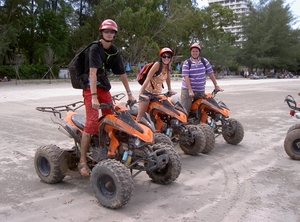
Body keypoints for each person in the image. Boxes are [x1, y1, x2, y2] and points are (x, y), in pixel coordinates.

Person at [78, 19, 136, 176]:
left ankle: (109, 150)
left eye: (112, 32)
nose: (109, 34)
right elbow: (92, 73)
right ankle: (82, 161)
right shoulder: (95, 49)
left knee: (112, 118)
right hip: (91, 87)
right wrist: (94, 97)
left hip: (103, 86)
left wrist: (130, 93)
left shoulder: (114, 51)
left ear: (114, 34)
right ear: (101, 33)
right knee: (91, 123)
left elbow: (122, 73)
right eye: (106, 31)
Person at [180, 43, 223, 114]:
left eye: (196, 51)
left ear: (199, 52)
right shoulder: (187, 62)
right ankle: (185, 124)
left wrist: (216, 85)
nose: (195, 53)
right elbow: (186, 77)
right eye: (193, 51)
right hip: (188, 90)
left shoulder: (204, 61)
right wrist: (190, 90)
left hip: (200, 90)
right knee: (185, 111)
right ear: (190, 52)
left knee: (202, 110)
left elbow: (210, 73)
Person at [136, 47, 177, 121]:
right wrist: (141, 93)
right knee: (141, 116)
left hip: (157, 94)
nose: (166, 58)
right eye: (164, 56)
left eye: (169, 57)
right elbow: (148, 78)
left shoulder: (167, 66)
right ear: (161, 57)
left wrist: (170, 89)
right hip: (147, 93)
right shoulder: (157, 64)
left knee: (156, 116)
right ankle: (136, 130)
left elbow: (168, 78)